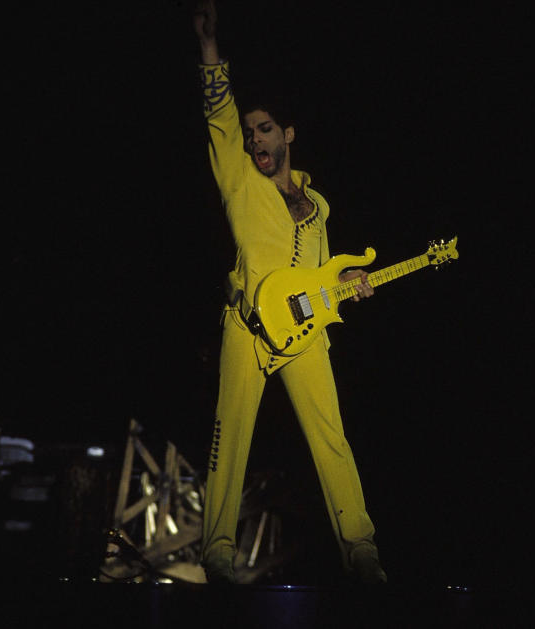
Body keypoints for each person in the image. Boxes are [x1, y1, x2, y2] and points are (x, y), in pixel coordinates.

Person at [192, 0, 387, 585]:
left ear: (289, 134)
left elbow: (322, 272)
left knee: (333, 439)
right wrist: (208, 46)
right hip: (248, 331)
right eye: (252, 132)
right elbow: (218, 114)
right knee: (231, 442)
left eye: (266, 129)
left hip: (304, 335)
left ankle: (361, 549)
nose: (255, 139)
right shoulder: (239, 180)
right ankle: (218, 551)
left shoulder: (317, 204)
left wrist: (349, 284)